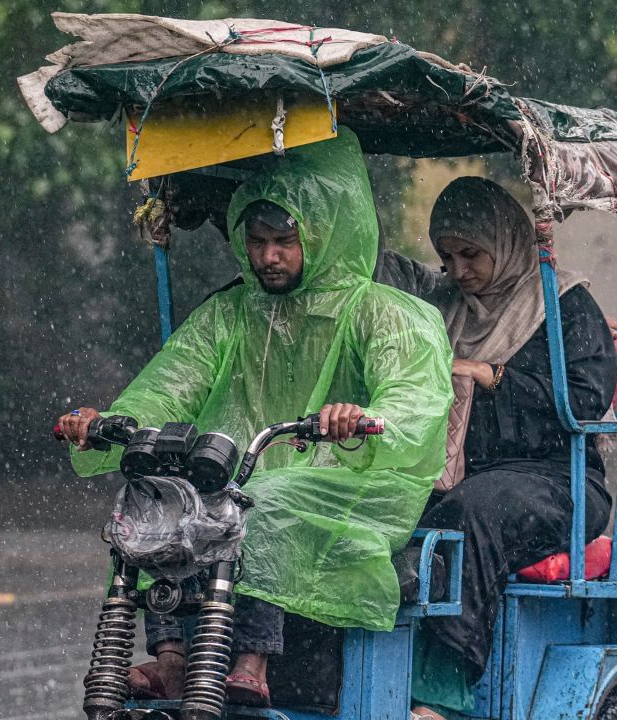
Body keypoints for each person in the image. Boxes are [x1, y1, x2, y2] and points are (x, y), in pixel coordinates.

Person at [56, 129, 454, 706]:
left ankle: (252, 659)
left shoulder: (386, 312)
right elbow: (171, 386)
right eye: (258, 240)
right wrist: (109, 422)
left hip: (353, 482)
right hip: (244, 472)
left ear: (323, 234)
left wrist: (360, 418)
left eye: (284, 241)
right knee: (154, 497)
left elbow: (413, 401)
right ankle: (172, 658)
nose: (267, 256)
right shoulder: (229, 313)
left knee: (262, 503)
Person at [410, 177, 617, 718]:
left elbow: (588, 398)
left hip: (558, 480)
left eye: (471, 254)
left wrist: (493, 375)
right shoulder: (443, 310)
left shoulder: (565, 304)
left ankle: (441, 693)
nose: (459, 271)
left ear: (503, 241)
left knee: (471, 513)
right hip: (459, 475)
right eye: (448, 257)